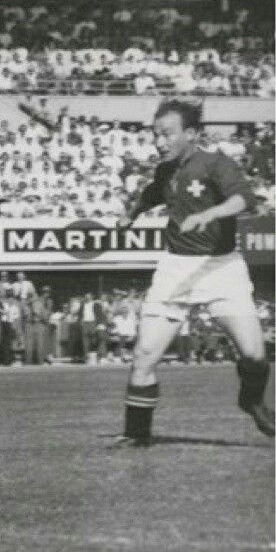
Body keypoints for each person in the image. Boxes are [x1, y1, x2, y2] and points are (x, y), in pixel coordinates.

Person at [113, 100, 274, 446]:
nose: (160, 141)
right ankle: (136, 436)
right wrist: (133, 214)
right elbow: (153, 194)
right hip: (176, 268)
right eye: (157, 134)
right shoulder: (165, 170)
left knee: (255, 355)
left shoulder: (217, 163)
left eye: (167, 134)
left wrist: (209, 214)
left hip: (221, 267)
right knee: (143, 356)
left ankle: (252, 400)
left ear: (191, 134)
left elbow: (244, 200)